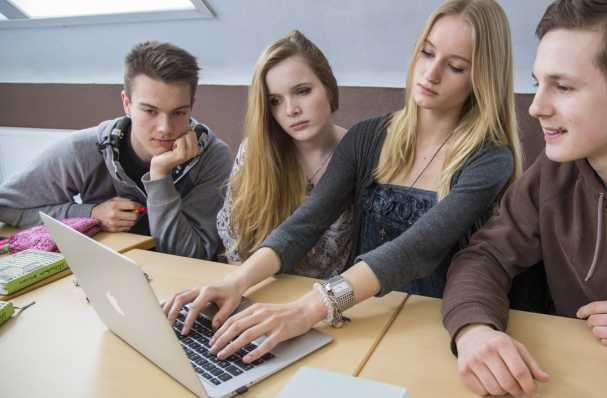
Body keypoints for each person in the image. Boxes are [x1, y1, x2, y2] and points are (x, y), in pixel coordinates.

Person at [164, 0, 521, 365]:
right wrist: (236, 282)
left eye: (456, 67)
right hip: (360, 315)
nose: (430, 74)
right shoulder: (368, 137)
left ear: (483, 78)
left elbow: (415, 250)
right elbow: (307, 221)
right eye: (427, 53)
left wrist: (306, 310)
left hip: (436, 327)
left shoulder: (490, 159)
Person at [442, 1, 607, 396]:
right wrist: (474, 329)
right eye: (538, 84)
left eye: (562, 87)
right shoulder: (554, 171)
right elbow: (485, 256)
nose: (535, 107)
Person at [0, 41, 231, 259]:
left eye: (178, 112)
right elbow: (7, 206)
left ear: (191, 107)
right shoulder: (85, 148)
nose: (165, 128)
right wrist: (89, 214)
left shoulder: (213, 157)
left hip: (181, 288)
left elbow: (190, 257)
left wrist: (160, 177)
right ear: (127, 104)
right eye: (150, 111)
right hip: (101, 275)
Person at [215, 30, 353, 278]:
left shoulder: (360, 152)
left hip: (333, 302)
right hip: (260, 288)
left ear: (328, 87)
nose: (291, 110)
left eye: (302, 91)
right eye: (275, 101)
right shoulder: (256, 151)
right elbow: (235, 246)